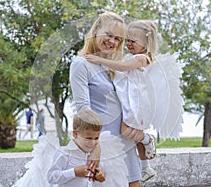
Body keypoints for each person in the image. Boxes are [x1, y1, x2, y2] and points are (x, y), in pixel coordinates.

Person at [85, 20, 184, 182]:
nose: (128, 44)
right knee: (131, 135)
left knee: (127, 131)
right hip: (131, 102)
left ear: (145, 43)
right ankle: (146, 167)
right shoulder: (133, 56)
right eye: (128, 40)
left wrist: (99, 60)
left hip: (138, 104)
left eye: (133, 41)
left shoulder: (142, 58)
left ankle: (147, 140)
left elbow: (122, 68)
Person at [70, 12, 145, 187]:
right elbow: (83, 110)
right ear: (96, 31)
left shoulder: (113, 66)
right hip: (101, 145)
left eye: (118, 39)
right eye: (109, 35)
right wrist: (95, 147)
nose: (113, 42)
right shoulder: (81, 64)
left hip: (124, 143)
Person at [14, 109, 128, 187]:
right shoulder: (65, 154)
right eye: (88, 138)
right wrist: (74, 172)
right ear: (75, 134)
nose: (93, 142)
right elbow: (52, 177)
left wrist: (101, 176)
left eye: (96, 138)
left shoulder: (93, 155)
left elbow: (94, 179)